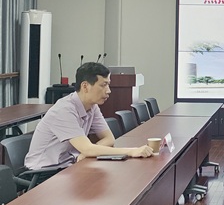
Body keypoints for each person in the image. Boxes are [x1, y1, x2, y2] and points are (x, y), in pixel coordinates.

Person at [25, 62, 154, 169]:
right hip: (44, 171)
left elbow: (109, 139)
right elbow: (87, 149)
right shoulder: (64, 110)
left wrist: (87, 152)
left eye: (108, 84)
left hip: (69, 165)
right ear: (85, 86)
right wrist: (131, 151)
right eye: (103, 85)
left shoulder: (92, 106)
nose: (108, 91)